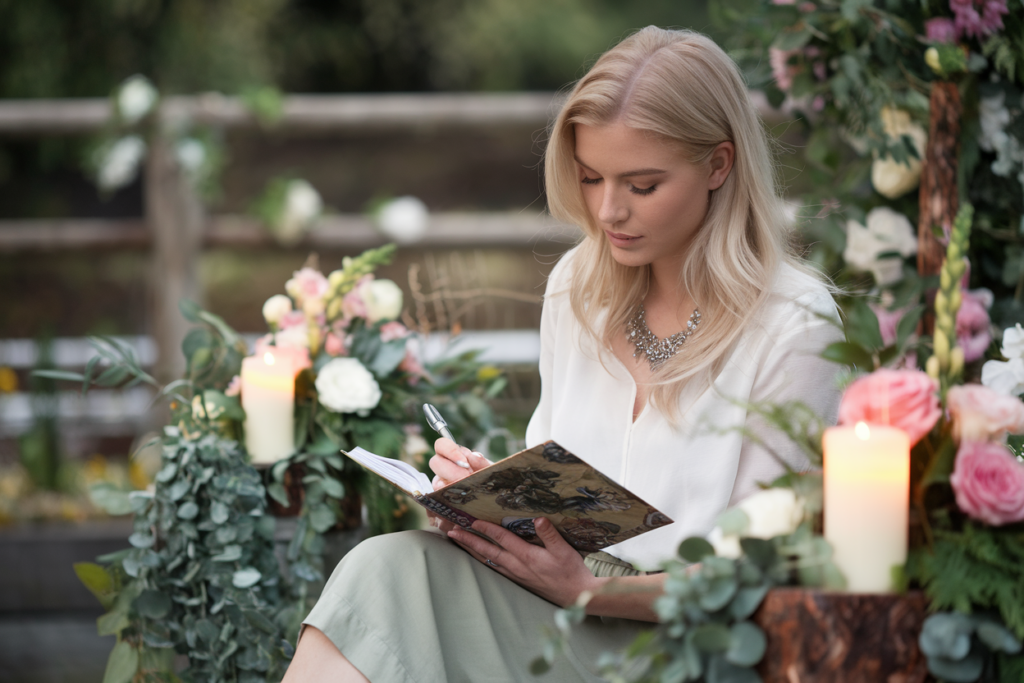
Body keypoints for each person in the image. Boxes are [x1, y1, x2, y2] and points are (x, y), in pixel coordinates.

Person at [283, 26, 842, 683]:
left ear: (719, 164)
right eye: (591, 177)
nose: (608, 210)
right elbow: (565, 483)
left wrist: (589, 591)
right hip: (560, 596)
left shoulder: (793, 324)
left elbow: (759, 578)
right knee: (384, 568)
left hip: (692, 637)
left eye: (642, 184)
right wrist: (493, 498)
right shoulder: (579, 285)